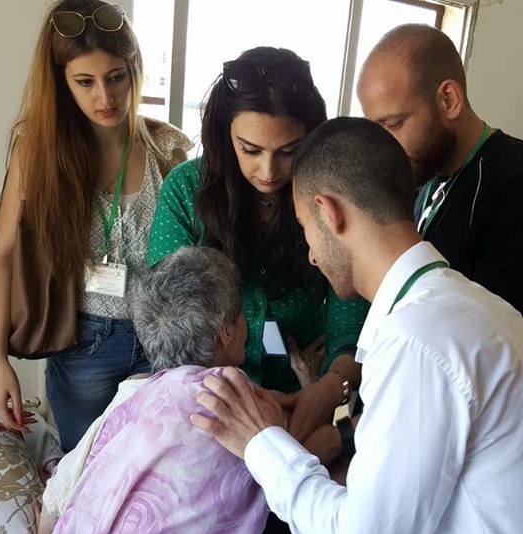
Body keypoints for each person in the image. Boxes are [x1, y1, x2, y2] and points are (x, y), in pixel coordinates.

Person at [191, 118, 523, 534]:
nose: (311, 255)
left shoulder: (418, 339)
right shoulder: (474, 307)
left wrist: (259, 441)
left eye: (305, 226)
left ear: (329, 213)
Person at [356, 24, 523, 437]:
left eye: (394, 124)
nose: (385, 149)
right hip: (444, 437)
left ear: (448, 99)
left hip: (516, 448)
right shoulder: (425, 184)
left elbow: (476, 346)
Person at [0, 0, 191, 451]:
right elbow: (2, 254)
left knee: (153, 471)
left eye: (116, 77)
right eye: (85, 82)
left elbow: (193, 256)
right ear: (61, 81)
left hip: (163, 339)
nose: (105, 98)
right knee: (84, 469)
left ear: (134, 70)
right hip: (84, 346)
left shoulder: (167, 148)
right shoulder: (37, 150)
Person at [147, 47, 368, 443]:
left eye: (288, 152)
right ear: (223, 135)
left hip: (303, 400)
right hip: (209, 407)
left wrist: (331, 386)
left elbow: (349, 326)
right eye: (250, 150)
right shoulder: (185, 190)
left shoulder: (329, 197)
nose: (268, 171)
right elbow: (170, 323)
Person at [38, 247, 268, 534]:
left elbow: (56, 494)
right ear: (227, 331)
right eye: (242, 315)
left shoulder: (132, 394)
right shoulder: (234, 391)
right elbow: (286, 455)